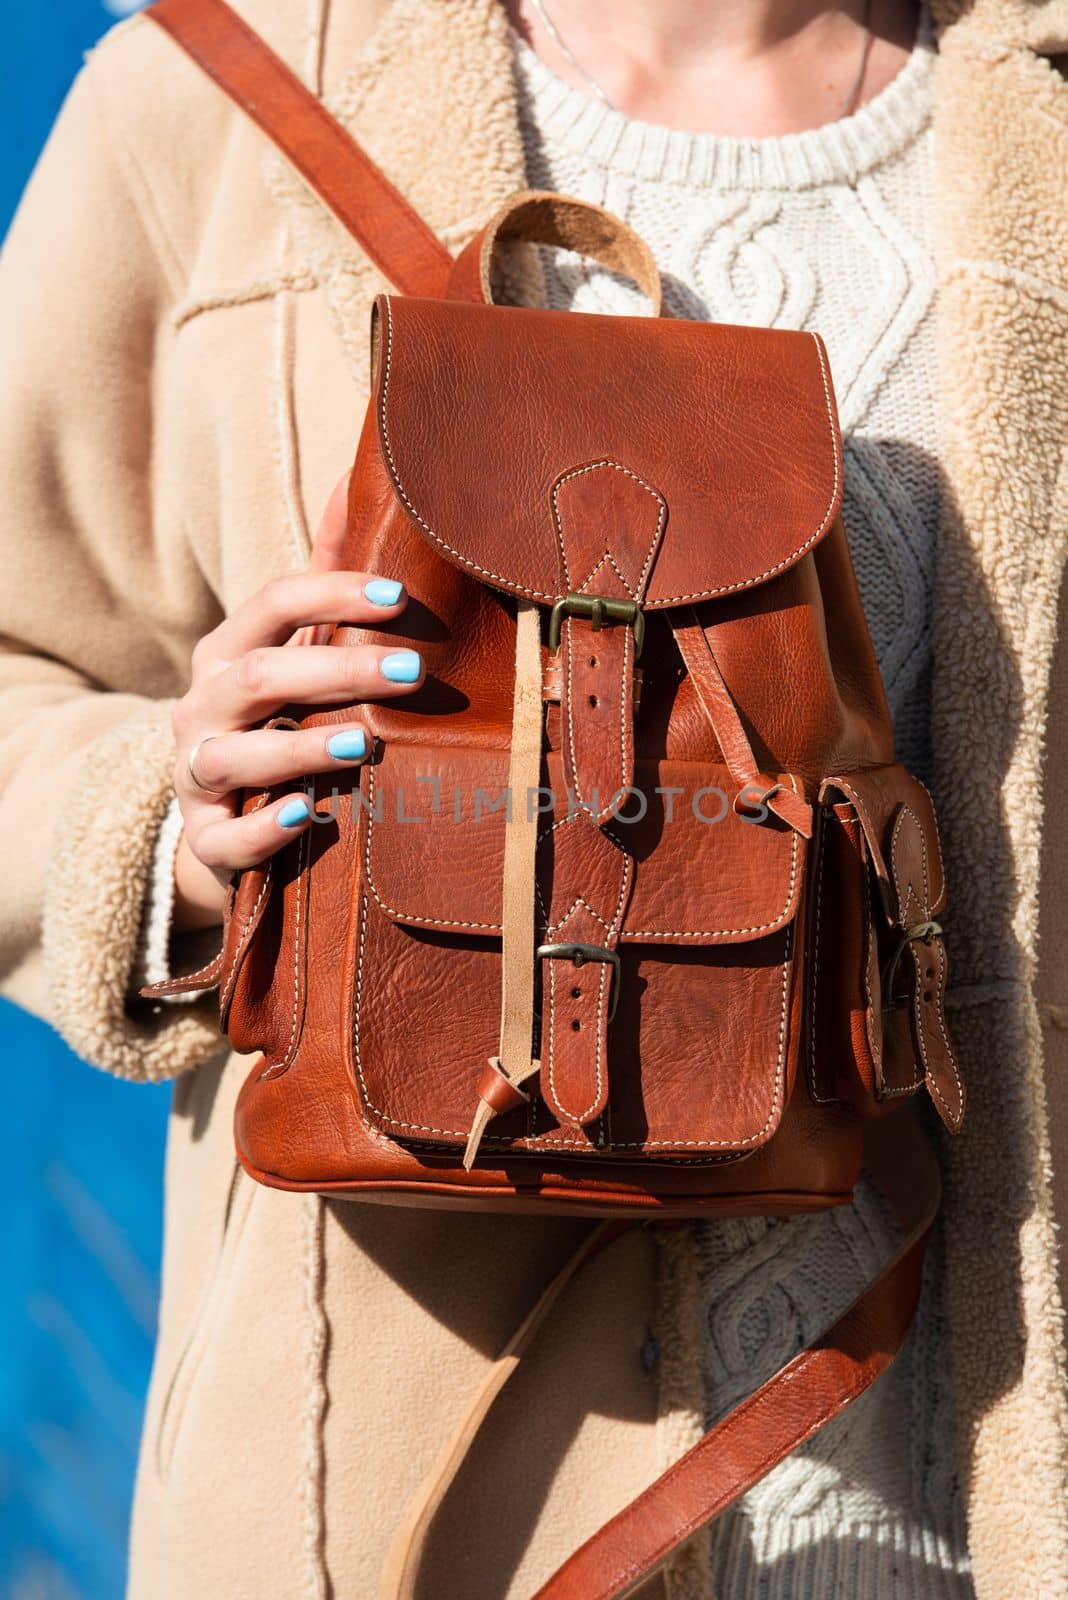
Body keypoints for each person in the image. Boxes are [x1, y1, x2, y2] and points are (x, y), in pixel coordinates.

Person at [1, 0, 1066, 1594]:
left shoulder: (1035, 112)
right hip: (400, 1487)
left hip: (976, 1473)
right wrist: (167, 818)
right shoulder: (222, 85)